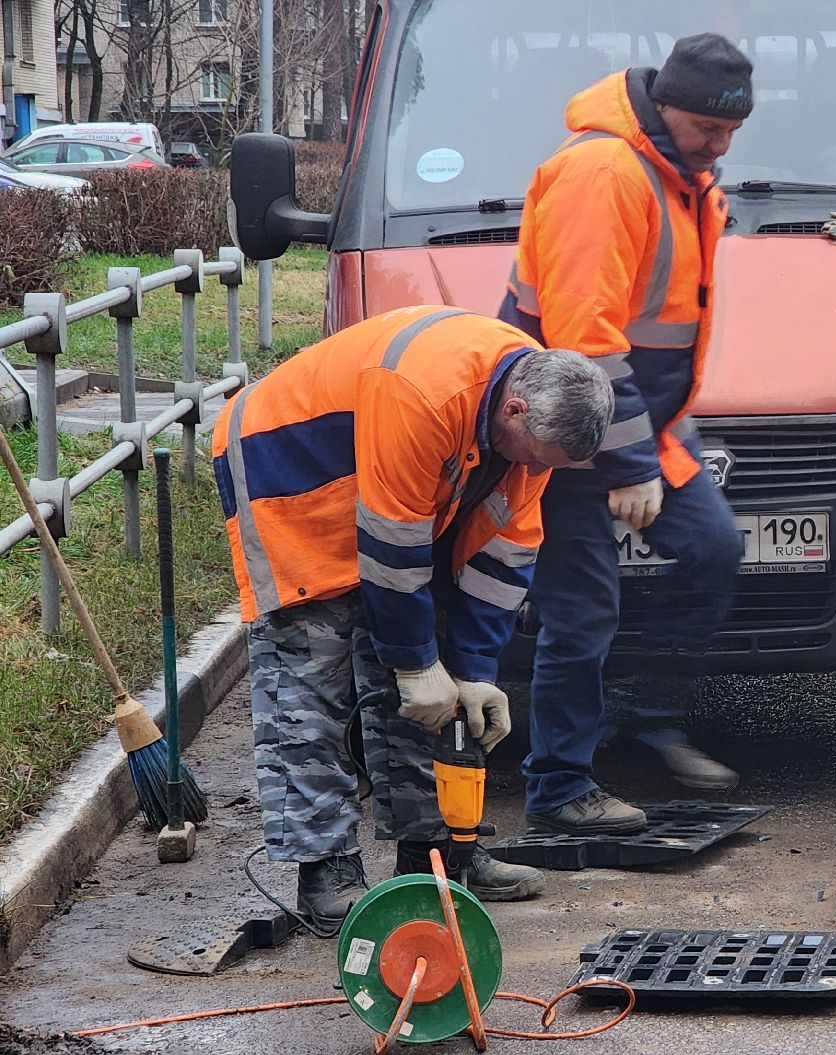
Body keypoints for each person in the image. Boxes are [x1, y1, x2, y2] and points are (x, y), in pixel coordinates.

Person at [212, 306, 615, 930]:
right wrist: (413, 662)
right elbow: (392, 543)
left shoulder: (532, 430)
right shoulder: (425, 390)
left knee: (432, 692)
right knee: (308, 682)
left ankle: (435, 855)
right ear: (514, 410)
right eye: (534, 456)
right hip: (291, 473)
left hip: (394, 494)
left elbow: (503, 555)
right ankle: (325, 872)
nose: (535, 470)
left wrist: (474, 669)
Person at [500, 34, 752, 837]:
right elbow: (585, 342)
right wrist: (630, 464)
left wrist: (650, 449)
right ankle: (559, 787)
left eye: (731, 132)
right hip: (566, 430)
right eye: (708, 129)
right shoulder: (604, 173)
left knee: (713, 549)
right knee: (581, 614)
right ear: (664, 107)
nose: (720, 146)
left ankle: (650, 720)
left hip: (643, 424)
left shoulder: (680, 175)